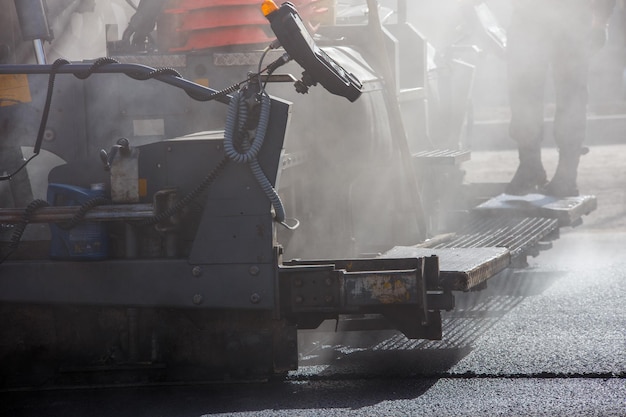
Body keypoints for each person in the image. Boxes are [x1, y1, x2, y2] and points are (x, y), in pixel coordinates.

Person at [505, 0, 616, 197]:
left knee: (571, 95)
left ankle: (566, 174)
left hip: (571, 19)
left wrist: (600, 21)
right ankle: (530, 167)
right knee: (524, 92)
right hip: (529, 17)